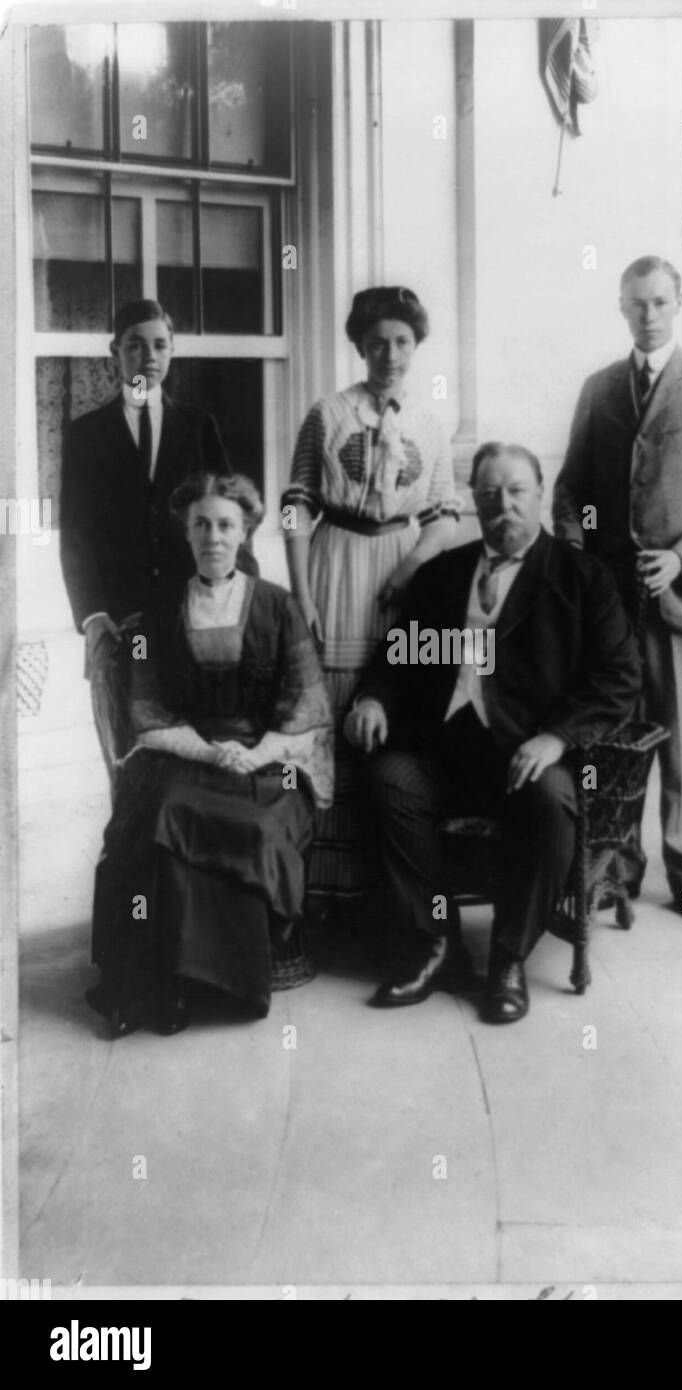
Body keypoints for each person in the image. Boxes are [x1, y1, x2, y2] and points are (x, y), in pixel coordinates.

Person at [345, 442, 641, 1023]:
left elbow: (619, 678)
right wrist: (375, 697)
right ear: (473, 501)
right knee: (389, 778)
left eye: (515, 492)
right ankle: (436, 942)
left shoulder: (582, 578)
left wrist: (557, 736)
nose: (502, 505)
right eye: (488, 494)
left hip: (526, 752)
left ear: (538, 495)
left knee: (552, 797)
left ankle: (508, 957)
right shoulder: (442, 575)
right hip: (446, 748)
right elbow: (397, 654)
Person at [86, 473, 333, 1038]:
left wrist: (258, 753)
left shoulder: (279, 607)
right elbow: (146, 705)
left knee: (253, 825)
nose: (213, 537)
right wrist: (206, 751)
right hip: (188, 755)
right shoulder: (158, 614)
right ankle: (157, 984)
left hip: (266, 766)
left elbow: (307, 706)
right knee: (162, 813)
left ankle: (228, 980)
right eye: (201, 525)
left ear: (246, 530)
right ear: (186, 532)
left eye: (226, 525)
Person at [553, 255, 682, 913]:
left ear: (677, 304)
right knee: (616, 736)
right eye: (636, 303)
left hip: (681, 597)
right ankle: (617, 866)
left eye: (659, 303)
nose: (648, 315)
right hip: (610, 603)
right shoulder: (599, 388)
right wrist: (579, 562)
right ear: (621, 306)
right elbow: (570, 490)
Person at [281, 285, 460, 901]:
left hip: (399, 570)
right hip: (336, 562)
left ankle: (386, 881)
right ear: (360, 346)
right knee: (332, 706)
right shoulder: (327, 414)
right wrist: (301, 594)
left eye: (402, 342)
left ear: (417, 347)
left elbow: (441, 517)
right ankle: (325, 876)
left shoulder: (431, 424)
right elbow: (296, 509)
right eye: (378, 342)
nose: (390, 354)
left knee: (390, 700)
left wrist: (412, 566)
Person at [60, 298, 256, 784]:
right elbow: (76, 533)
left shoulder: (197, 426)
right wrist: (92, 616)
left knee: (190, 759)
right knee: (128, 762)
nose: (148, 357)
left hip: (187, 619)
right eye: (135, 345)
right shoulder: (86, 435)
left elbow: (230, 515)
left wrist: (243, 598)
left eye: (160, 345)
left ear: (172, 351)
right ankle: (129, 858)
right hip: (119, 625)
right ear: (115, 352)